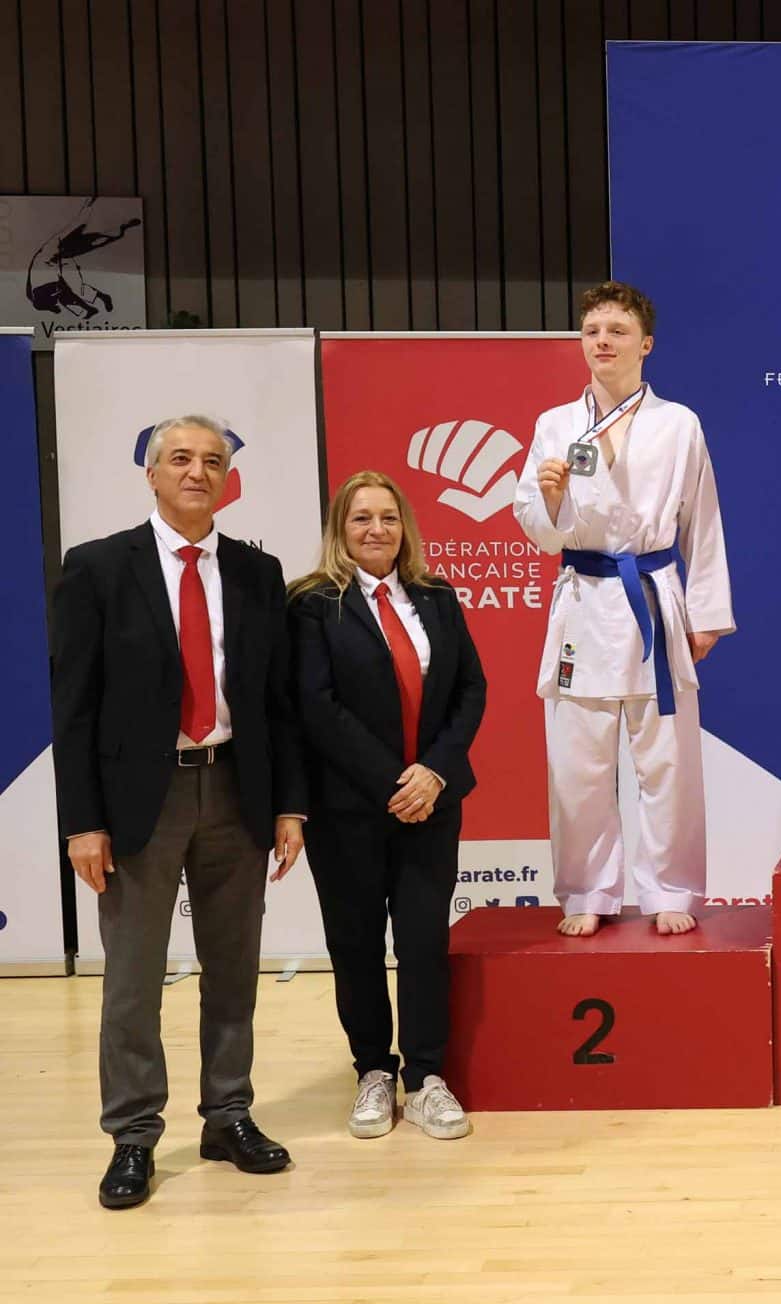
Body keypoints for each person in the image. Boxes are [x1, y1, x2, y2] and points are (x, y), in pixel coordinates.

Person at [52, 415, 307, 1210]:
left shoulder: (259, 574)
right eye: (181, 459)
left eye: (213, 461)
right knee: (132, 979)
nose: (197, 471)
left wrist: (290, 805)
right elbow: (75, 709)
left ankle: (227, 1114)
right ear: (152, 475)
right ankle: (133, 1134)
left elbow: (279, 703)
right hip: (139, 800)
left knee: (232, 971)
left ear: (230, 480)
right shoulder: (97, 568)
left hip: (236, 789)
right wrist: (82, 822)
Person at [514, 281, 735, 937]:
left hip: (653, 595)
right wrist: (550, 499)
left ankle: (672, 887)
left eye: (615, 330)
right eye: (592, 331)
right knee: (579, 764)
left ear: (646, 343)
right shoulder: (555, 424)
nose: (602, 342)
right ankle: (586, 889)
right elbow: (533, 523)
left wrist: (705, 612)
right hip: (584, 599)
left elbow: (704, 522)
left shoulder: (678, 422)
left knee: (667, 763)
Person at [290, 471, 487, 1141]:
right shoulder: (314, 604)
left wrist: (432, 772)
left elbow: (471, 689)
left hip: (432, 803)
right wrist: (392, 781)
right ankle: (373, 1069)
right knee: (355, 945)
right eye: (360, 518)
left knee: (425, 941)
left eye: (388, 517)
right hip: (349, 809)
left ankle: (426, 1077)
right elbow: (317, 706)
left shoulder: (436, 596)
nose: (376, 529)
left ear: (405, 527)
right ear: (339, 531)